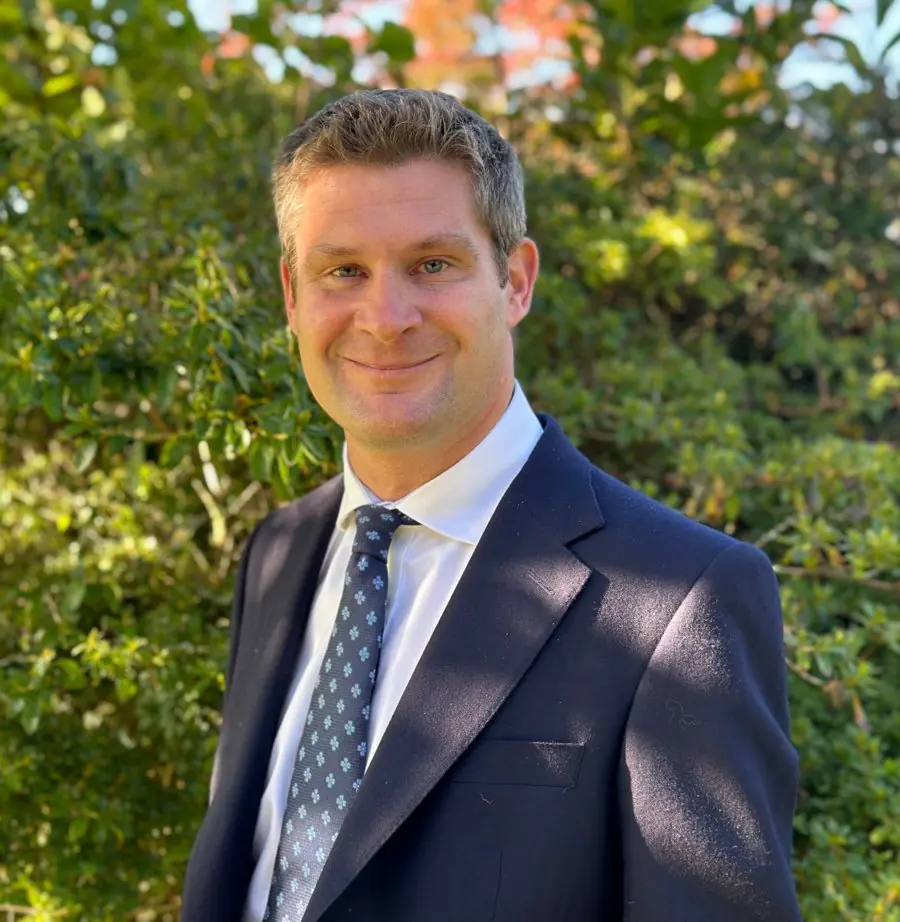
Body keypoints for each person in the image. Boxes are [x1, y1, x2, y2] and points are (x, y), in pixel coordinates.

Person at [180, 88, 801, 922]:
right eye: (344, 271)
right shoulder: (280, 553)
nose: (385, 318)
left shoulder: (678, 601)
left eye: (433, 265)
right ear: (294, 296)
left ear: (515, 281)